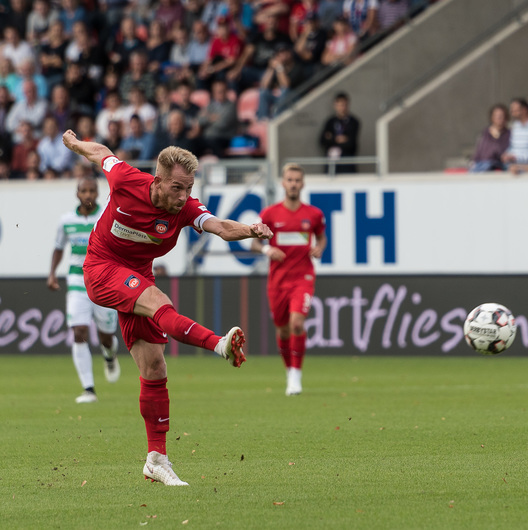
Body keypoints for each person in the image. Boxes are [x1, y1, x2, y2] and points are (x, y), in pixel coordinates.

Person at [61, 130, 274, 486]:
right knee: (160, 302)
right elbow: (101, 153)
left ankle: (156, 459)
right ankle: (219, 344)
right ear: (157, 181)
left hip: (137, 274)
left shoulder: (186, 208)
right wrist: (75, 143)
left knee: (155, 366)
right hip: (101, 268)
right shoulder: (127, 179)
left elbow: (220, 226)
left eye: (189, 188)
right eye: (177, 187)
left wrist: (252, 230)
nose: (184, 196)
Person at [253, 163, 326, 396]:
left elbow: (322, 239)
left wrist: (319, 248)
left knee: (297, 324)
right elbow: (254, 242)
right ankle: (288, 370)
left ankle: (296, 374)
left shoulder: (313, 214)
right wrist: (267, 251)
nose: (293, 184)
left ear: (302, 184)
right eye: (290, 180)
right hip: (277, 279)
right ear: (283, 183)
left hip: (302, 277)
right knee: (283, 330)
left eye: (297, 180)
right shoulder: (270, 214)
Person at [48, 176, 121, 404]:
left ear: (98, 193)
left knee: (106, 336)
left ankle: (109, 355)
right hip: (77, 281)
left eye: (92, 191)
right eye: (84, 191)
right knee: (79, 332)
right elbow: (59, 248)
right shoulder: (66, 221)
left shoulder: (107, 216)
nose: (88, 194)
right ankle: (88, 389)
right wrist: (52, 273)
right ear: (77, 194)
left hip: (104, 281)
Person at [319, 91, 361, 174]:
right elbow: (322, 140)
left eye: (344, 105)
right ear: (335, 105)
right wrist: (337, 139)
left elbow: (351, 143)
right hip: (332, 163)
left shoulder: (353, 122)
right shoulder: (330, 122)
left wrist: (331, 138)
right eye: (340, 105)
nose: (342, 108)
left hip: (347, 163)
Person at [470, 103, 510, 172]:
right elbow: (479, 150)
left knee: (488, 165)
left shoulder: (508, 134)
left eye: (501, 116)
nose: (499, 118)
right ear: (492, 117)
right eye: (496, 116)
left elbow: (501, 152)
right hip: (481, 164)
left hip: (496, 164)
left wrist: (497, 138)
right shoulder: (486, 132)